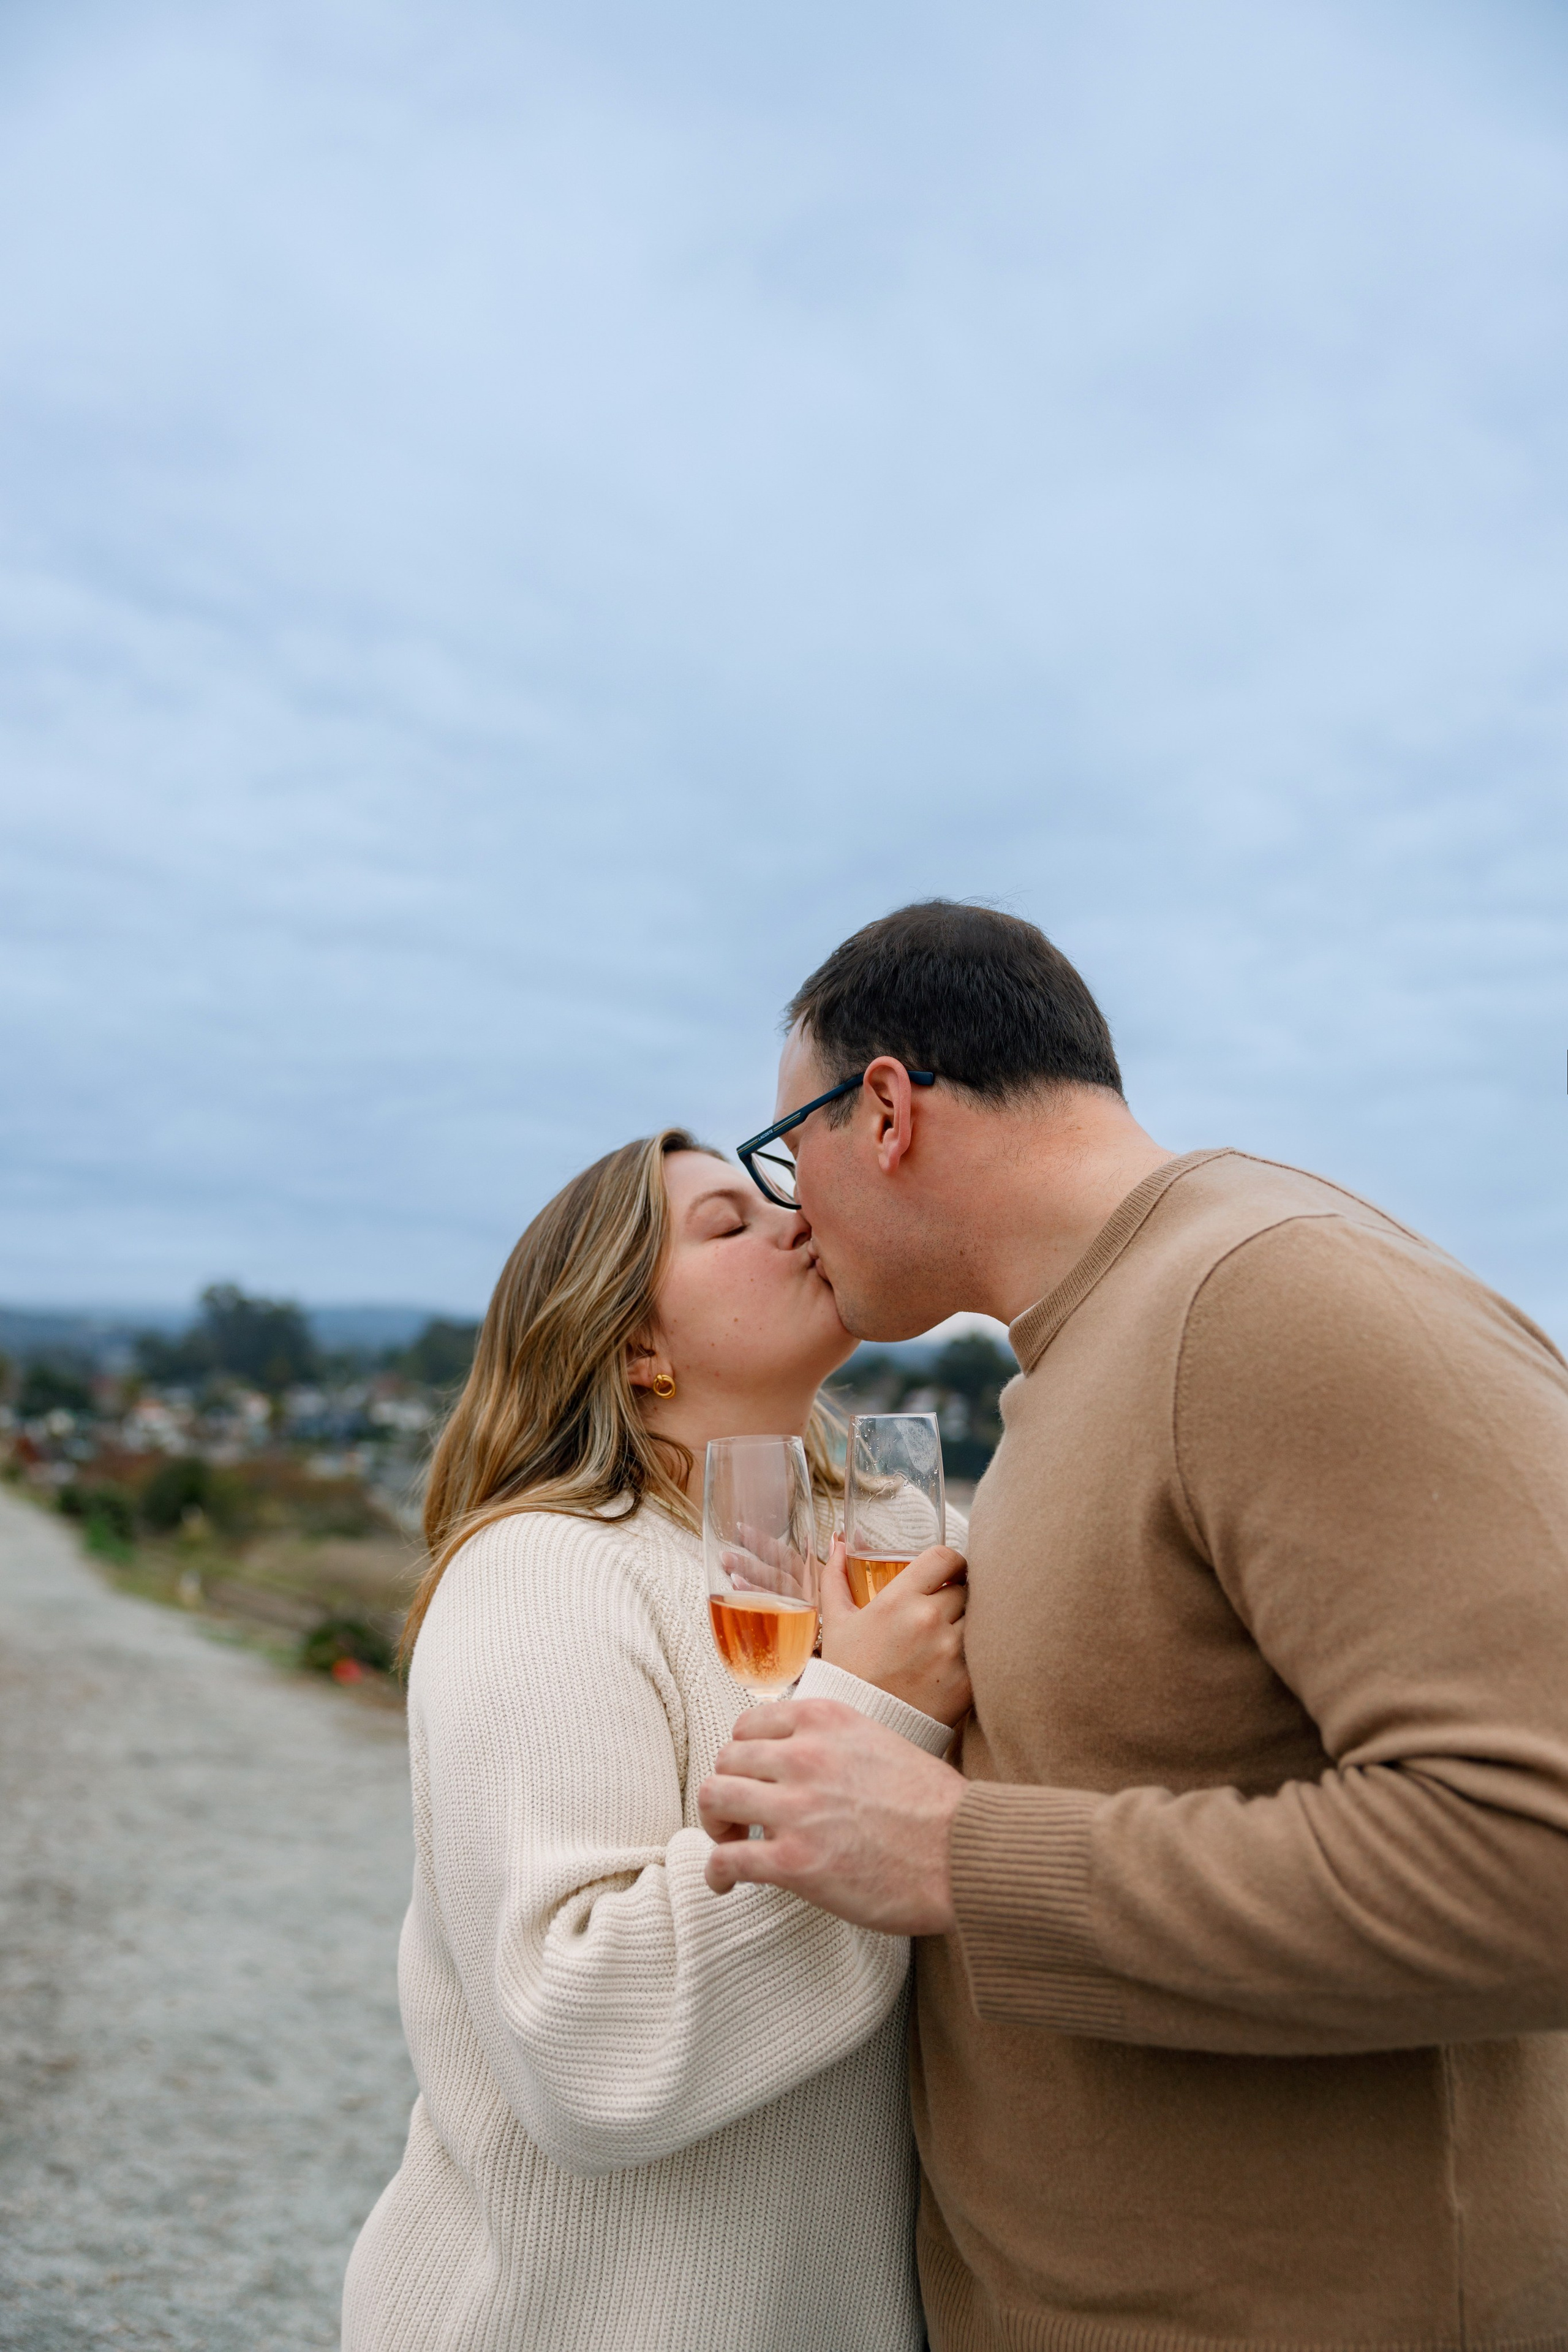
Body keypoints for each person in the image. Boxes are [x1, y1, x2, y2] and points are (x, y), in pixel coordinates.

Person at [700, 900, 1568, 2351]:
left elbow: (1537, 1852)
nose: (791, 1214)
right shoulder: (1081, 1354)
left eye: (788, 1151)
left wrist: (955, 1854)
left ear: (887, 1111)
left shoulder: (1274, 1298)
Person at [342, 1128, 969, 2352]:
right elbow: (585, 2041)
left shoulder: (907, 1539)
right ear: (636, 1346)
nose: (799, 1216)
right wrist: (866, 1710)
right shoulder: (546, 1573)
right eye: (730, 1223)